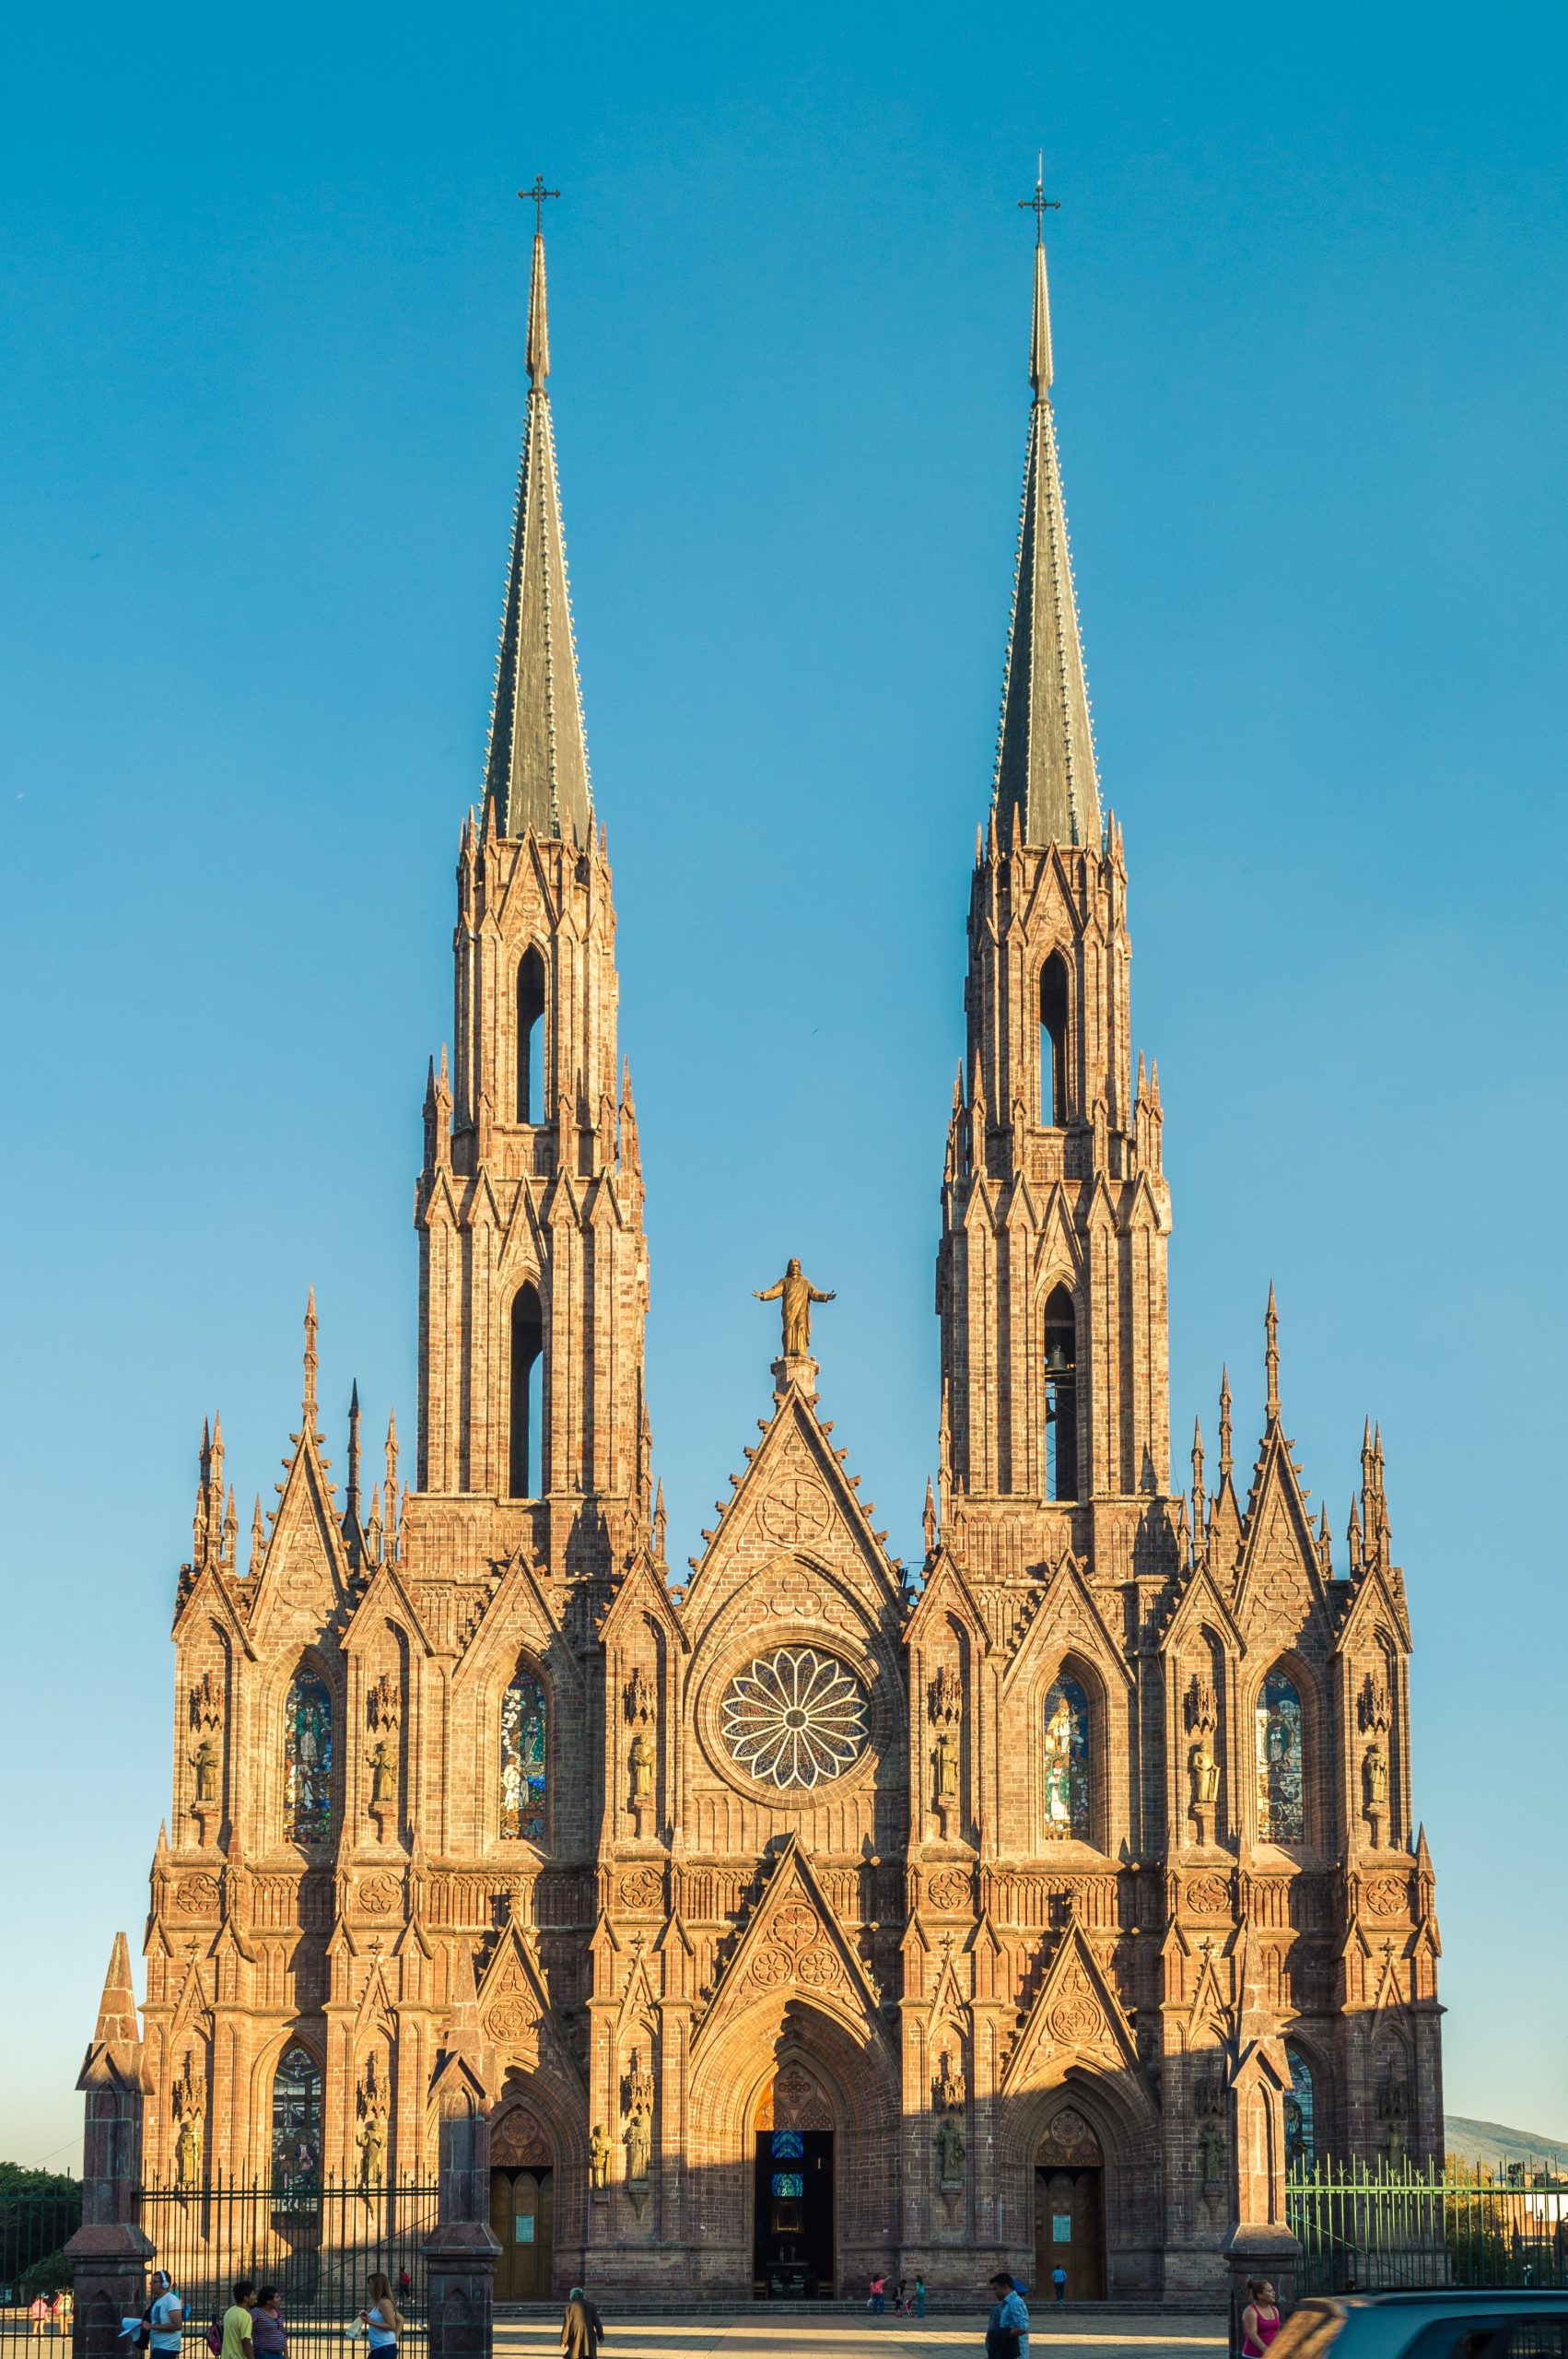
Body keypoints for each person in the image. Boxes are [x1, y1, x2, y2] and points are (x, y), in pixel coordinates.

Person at [987, 2271, 1030, 2359]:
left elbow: (1023, 2328)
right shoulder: (1006, 2304)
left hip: (1016, 2355)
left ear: (1005, 2287)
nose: (994, 2292)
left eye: (996, 2289)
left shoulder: (1015, 2302)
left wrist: (1000, 2335)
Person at [358, 2275, 401, 2359]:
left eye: (370, 2284)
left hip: (384, 2348)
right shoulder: (378, 2303)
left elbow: (392, 2325)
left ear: (377, 2286)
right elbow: (400, 2319)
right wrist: (367, 2317)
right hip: (378, 2348)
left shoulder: (385, 2303)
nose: (368, 2287)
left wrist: (370, 2322)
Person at [1240, 2280, 1281, 2359]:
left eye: (1273, 2290)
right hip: (1253, 2356)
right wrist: (1266, 2350)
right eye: (1270, 2291)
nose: (1274, 2293)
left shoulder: (1274, 2310)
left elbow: (1277, 2332)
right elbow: (1252, 2334)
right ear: (1260, 2295)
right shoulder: (1250, 2311)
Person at [147, 2271, 184, 2359]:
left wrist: (151, 2326)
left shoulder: (171, 2300)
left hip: (166, 2348)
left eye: (154, 2282)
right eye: (151, 2282)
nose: (151, 2284)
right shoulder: (158, 2300)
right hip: (158, 2347)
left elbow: (177, 2325)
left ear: (165, 2284)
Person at [560, 2287, 603, 2359]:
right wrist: (600, 2337)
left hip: (575, 2335)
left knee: (574, 2354)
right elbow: (597, 2323)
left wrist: (563, 2341)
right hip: (589, 2335)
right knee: (589, 2353)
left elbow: (566, 2326)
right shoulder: (591, 2305)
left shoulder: (569, 2307)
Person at [220, 2282, 255, 2359]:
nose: (255, 2297)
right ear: (246, 2298)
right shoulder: (245, 2316)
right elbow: (246, 2343)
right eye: (253, 2294)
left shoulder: (230, 2311)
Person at [249, 2291, 286, 2359]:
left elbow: (283, 2334)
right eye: (277, 2297)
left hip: (279, 2354)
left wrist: (286, 2353)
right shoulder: (256, 2312)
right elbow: (245, 2327)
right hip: (264, 2354)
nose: (279, 2299)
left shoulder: (277, 2312)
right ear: (268, 2301)